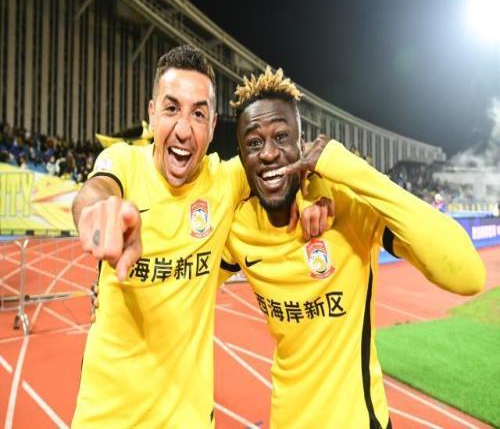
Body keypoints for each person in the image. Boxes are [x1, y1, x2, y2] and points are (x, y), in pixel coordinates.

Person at [71, 46, 330, 428]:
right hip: (105, 418)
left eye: (198, 114)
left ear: (212, 126)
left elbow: (298, 155)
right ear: (152, 113)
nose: (183, 129)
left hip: (188, 419)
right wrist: (99, 212)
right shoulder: (124, 163)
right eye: (171, 108)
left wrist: (315, 192)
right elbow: (95, 192)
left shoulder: (226, 180)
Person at [218, 67, 486, 428]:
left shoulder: (349, 208)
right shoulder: (239, 228)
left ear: (302, 144)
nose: (268, 153)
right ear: (240, 156)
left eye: (281, 136)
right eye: (253, 143)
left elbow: (469, 275)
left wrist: (344, 167)